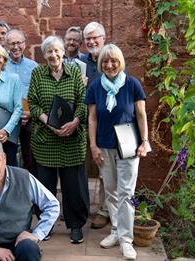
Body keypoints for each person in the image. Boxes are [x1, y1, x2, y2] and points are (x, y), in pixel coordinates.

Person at [84, 44, 151, 260]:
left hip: (129, 146)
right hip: (104, 145)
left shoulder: (132, 84)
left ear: (120, 62)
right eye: (105, 61)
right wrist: (93, 145)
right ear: (100, 63)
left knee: (126, 193)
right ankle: (115, 231)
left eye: (113, 61)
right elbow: (92, 117)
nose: (109, 65)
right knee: (111, 190)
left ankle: (126, 240)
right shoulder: (95, 86)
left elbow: (141, 115)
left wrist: (145, 142)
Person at [28, 35, 89, 244]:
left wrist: (74, 123)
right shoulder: (37, 74)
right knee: (45, 186)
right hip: (46, 139)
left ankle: (76, 226)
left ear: (63, 52)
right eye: (49, 52)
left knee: (74, 186)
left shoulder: (75, 74)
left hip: (71, 140)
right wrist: (48, 122)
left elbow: (83, 102)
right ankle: (47, 224)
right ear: (44, 55)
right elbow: (33, 105)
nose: (53, 55)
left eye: (56, 50)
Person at [81, 21, 110, 229]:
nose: (91, 42)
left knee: (105, 168)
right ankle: (81, 207)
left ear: (103, 38)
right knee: (80, 166)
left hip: (106, 122)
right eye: (88, 38)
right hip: (83, 121)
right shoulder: (81, 63)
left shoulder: (111, 59)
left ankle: (103, 210)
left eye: (95, 37)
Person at [4, 29, 38, 174]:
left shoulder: (33, 66)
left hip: (28, 116)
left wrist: (29, 112)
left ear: (24, 44)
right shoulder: (2, 65)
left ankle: (30, 191)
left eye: (19, 43)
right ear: (6, 46)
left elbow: (37, 93)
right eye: (12, 43)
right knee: (9, 156)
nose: (15, 47)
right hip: (8, 116)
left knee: (30, 157)